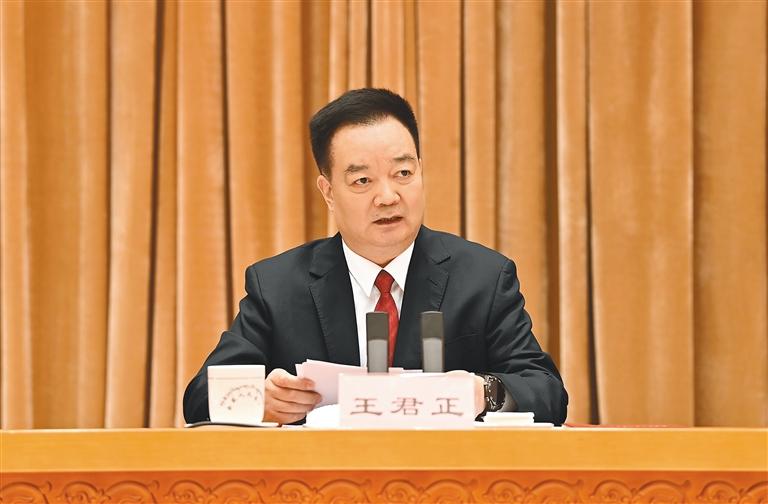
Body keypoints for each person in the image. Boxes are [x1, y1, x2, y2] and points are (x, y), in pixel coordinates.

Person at [183, 88, 568, 425]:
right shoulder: (278, 286)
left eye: (403, 173)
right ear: (328, 192)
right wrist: (259, 400)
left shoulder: (483, 278)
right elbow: (199, 398)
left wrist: (483, 391)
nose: (387, 196)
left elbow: (547, 392)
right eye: (363, 180)